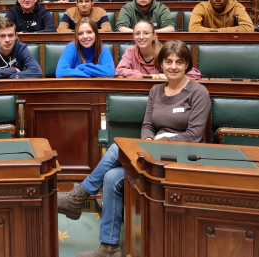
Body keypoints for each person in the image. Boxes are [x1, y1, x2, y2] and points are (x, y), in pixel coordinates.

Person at [58, 40, 211, 257]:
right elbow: (148, 125)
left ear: (187, 64)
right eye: (168, 61)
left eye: (179, 62)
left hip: (183, 155)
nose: (173, 66)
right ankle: (109, 248)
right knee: (112, 177)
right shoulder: (156, 91)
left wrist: (155, 144)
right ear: (161, 64)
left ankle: (78, 196)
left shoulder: (198, 92)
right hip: (153, 152)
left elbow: (194, 136)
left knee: (114, 149)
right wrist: (148, 143)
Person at [115, 20, 201, 79]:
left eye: (146, 33)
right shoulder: (130, 51)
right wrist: (145, 76)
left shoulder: (165, 51)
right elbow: (119, 71)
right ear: (133, 36)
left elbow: (194, 74)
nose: (141, 37)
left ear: (154, 35)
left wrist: (170, 76)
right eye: (137, 34)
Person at [189, 0, 254, 32]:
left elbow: (249, 28)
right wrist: (224, 31)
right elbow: (193, 29)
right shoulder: (201, 7)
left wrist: (212, 32)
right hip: (207, 43)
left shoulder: (237, 7)